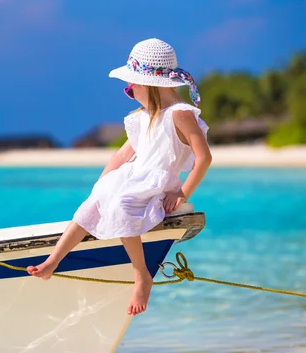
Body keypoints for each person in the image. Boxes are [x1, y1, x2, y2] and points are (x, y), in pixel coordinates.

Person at [27, 38, 212, 316]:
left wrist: (183, 192)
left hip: (158, 182)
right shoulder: (142, 116)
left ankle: (142, 277)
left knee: (123, 205)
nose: (128, 91)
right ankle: (53, 260)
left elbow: (204, 157)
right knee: (95, 202)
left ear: (148, 84)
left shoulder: (180, 115)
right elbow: (121, 156)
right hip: (134, 176)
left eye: (130, 87)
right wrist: (101, 185)